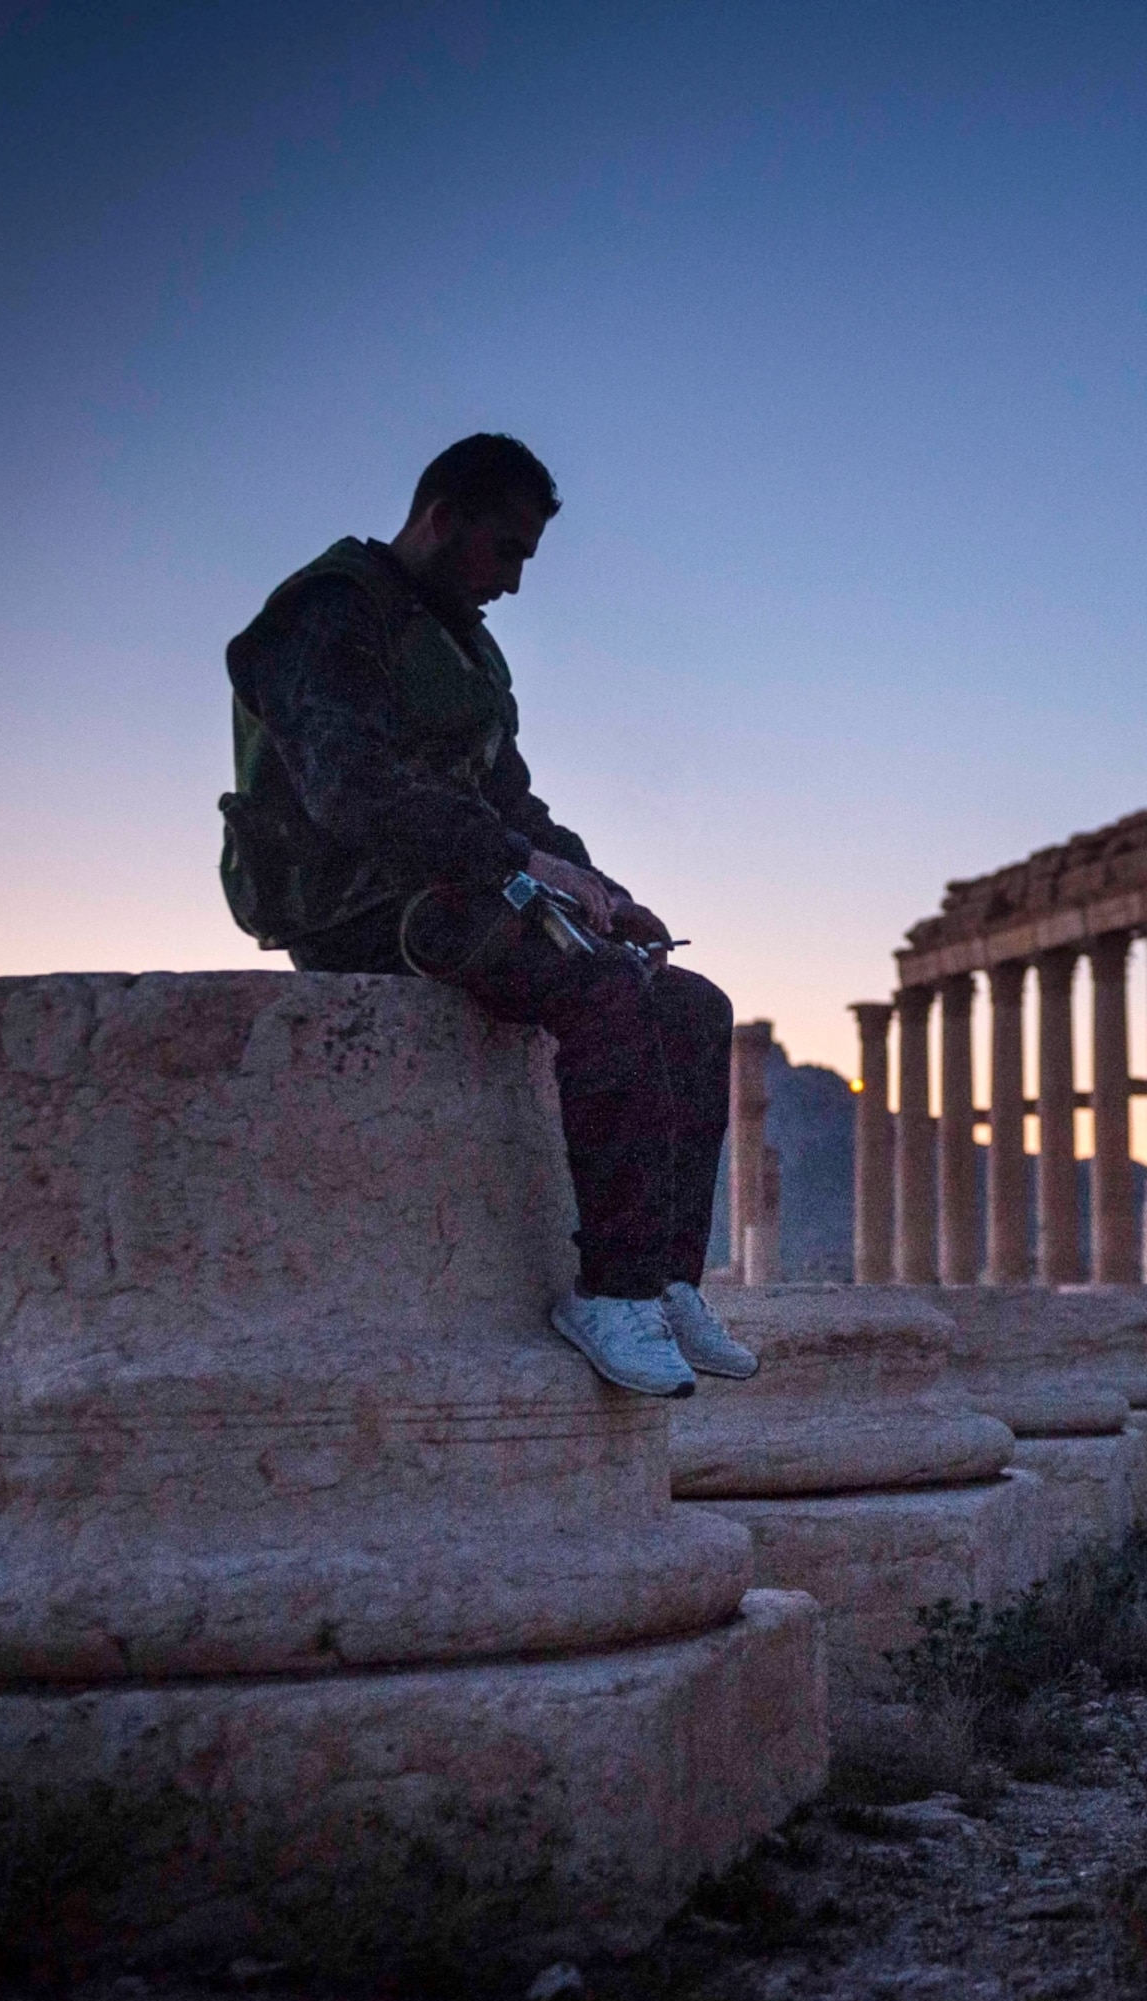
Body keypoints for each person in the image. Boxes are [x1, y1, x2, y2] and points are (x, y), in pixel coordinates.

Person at [216, 432, 755, 1398]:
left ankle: (669, 1281)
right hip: (352, 900)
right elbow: (354, 790)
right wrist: (521, 864)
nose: (512, 581)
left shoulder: (465, 646)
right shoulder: (328, 611)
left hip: (457, 882)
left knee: (691, 1007)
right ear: (438, 518)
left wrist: (606, 893)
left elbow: (513, 802)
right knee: (601, 997)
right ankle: (611, 1292)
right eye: (503, 550)